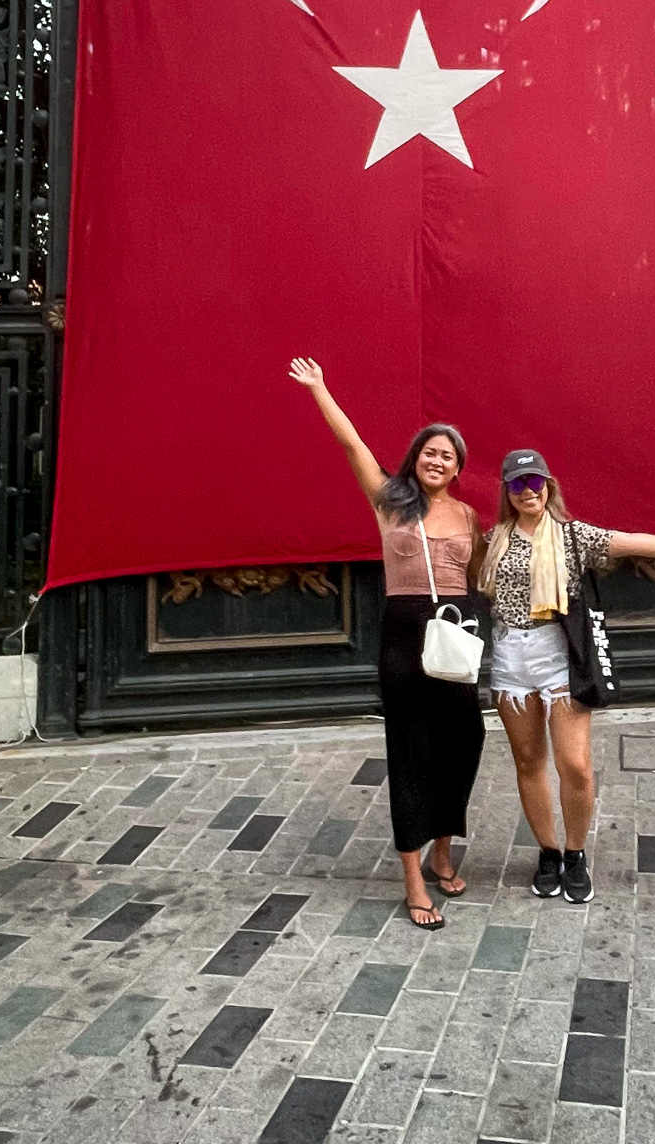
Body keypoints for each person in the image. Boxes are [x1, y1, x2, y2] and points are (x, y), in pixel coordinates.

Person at [482, 448, 655, 905]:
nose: (528, 492)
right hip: (510, 658)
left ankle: (575, 853)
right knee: (528, 761)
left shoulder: (572, 536)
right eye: (518, 484)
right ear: (507, 491)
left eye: (535, 482)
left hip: (561, 655)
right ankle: (547, 852)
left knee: (575, 766)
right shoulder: (493, 539)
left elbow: (629, 540)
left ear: (548, 485)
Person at [289, 357, 484, 928]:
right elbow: (352, 446)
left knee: (463, 744)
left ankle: (444, 847)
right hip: (404, 635)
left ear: (456, 469)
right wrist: (322, 389)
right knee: (410, 751)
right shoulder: (390, 501)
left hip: (454, 634)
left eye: (447, 455)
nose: (437, 459)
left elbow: (488, 576)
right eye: (430, 451)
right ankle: (413, 877)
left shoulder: (469, 514)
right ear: (416, 458)